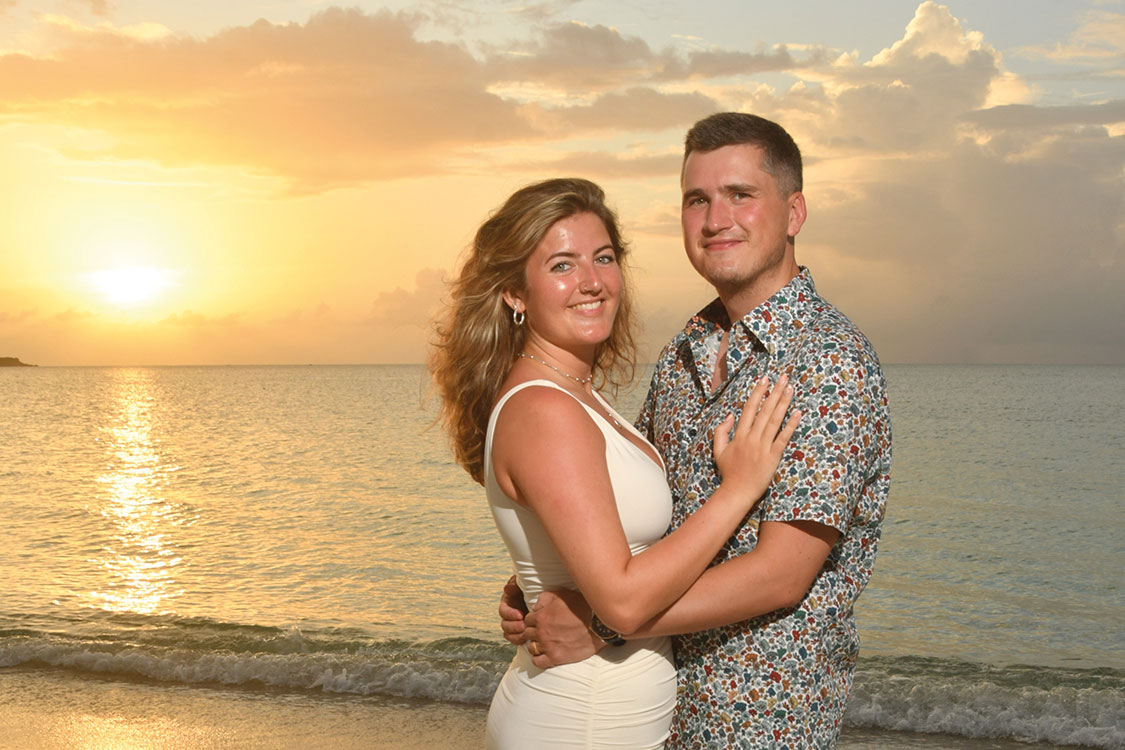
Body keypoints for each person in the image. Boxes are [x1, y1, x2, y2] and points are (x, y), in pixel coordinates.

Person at [499, 114, 892, 748]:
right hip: (653, 716)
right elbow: (639, 516)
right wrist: (547, 578)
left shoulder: (829, 361)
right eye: (697, 200)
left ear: (793, 212)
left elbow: (781, 573)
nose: (716, 219)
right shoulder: (684, 353)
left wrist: (600, 621)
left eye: (741, 195)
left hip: (759, 726)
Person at [430, 176, 802, 749]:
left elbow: (601, 552)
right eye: (561, 265)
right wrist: (739, 489)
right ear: (514, 293)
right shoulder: (544, 408)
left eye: (603, 259)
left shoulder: (574, 393)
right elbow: (624, 599)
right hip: (583, 719)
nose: (592, 282)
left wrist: (542, 580)